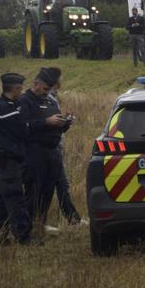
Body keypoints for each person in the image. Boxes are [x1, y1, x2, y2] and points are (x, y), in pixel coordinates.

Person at [0, 73, 39, 245]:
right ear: (15, 89)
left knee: (4, 198)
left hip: (8, 159)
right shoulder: (6, 109)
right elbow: (24, 131)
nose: (22, 91)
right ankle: (24, 237)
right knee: (15, 196)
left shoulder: (9, 104)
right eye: (20, 88)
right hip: (7, 160)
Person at [19, 68, 71, 226]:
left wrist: (65, 123)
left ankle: (41, 222)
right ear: (35, 84)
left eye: (49, 90)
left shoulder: (49, 100)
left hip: (53, 152)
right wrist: (46, 122)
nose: (47, 93)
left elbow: (57, 127)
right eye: (45, 89)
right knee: (34, 190)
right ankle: (28, 225)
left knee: (48, 190)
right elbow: (22, 126)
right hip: (34, 152)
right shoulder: (24, 101)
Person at [45, 67, 82, 226]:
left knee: (61, 185)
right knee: (52, 186)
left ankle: (72, 218)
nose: (62, 81)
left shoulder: (52, 98)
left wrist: (65, 123)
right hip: (50, 150)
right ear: (55, 81)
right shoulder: (47, 99)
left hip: (55, 148)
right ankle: (40, 221)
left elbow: (55, 124)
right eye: (60, 78)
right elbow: (48, 124)